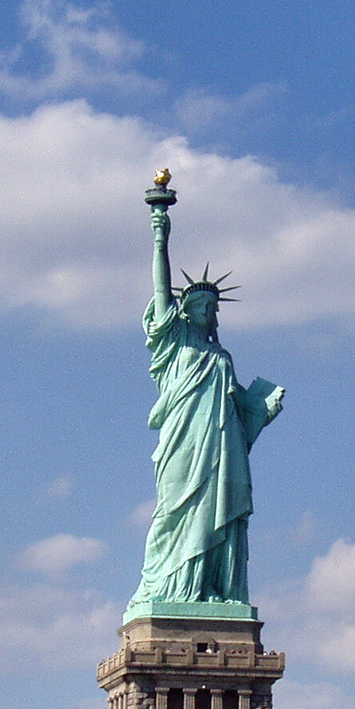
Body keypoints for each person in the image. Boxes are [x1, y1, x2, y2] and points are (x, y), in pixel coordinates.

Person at [128, 195, 283, 611]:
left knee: (221, 510)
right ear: (185, 309)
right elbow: (161, 289)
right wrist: (160, 235)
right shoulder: (173, 343)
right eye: (198, 304)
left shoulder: (223, 357)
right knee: (174, 511)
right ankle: (168, 588)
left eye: (211, 307)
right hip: (184, 441)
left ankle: (213, 588)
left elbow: (236, 414)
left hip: (222, 445)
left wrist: (259, 411)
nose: (206, 310)